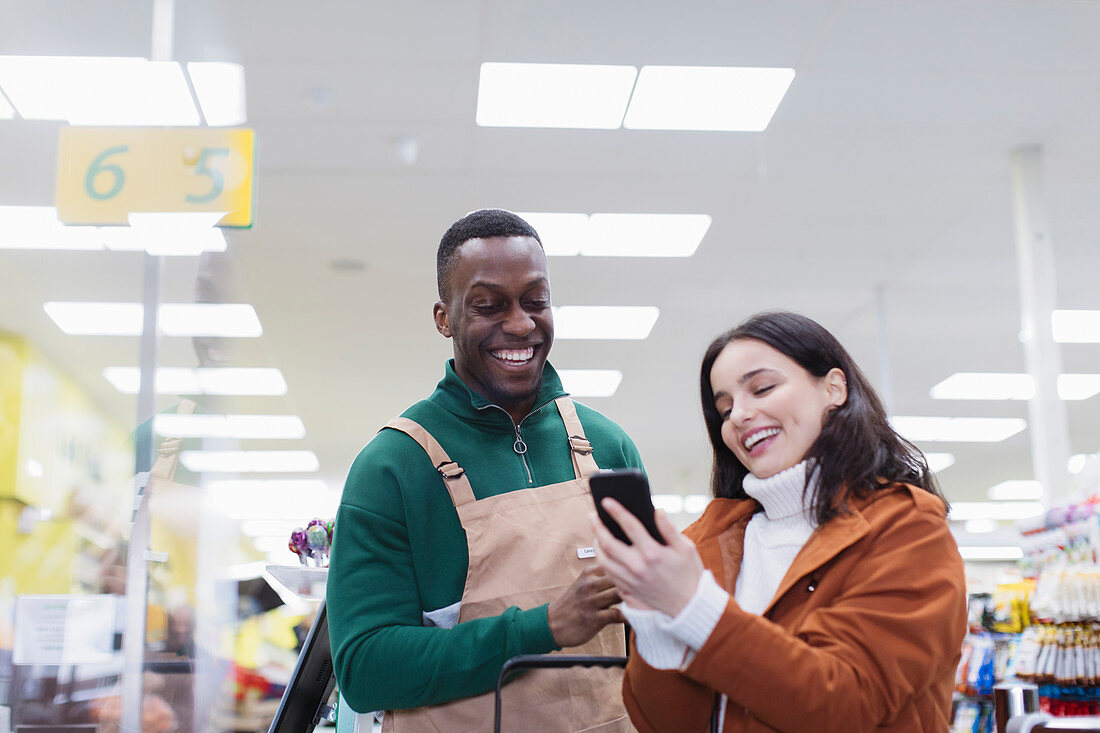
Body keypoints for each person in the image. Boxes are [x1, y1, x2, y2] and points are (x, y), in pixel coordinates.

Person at [328, 209, 645, 732]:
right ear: (443, 318)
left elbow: (647, 632)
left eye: (536, 301)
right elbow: (365, 668)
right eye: (488, 305)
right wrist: (542, 628)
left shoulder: (608, 449)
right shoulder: (393, 468)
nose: (520, 324)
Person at [592, 311, 966, 732]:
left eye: (763, 388)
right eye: (725, 407)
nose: (738, 416)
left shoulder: (905, 527)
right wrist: (656, 623)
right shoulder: (708, 540)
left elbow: (846, 705)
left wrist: (695, 606)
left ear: (834, 387)